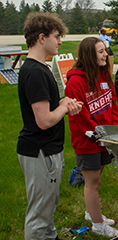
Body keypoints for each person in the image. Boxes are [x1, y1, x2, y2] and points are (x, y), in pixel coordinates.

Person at [17, 12, 83, 240]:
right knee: (39, 214)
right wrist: (64, 108)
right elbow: (44, 120)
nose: (60, 41)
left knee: (47, 205)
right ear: (42, 37)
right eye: (57, 36)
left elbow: (46, 107)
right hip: (40, 151)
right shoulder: (35, 72)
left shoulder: (39, 68)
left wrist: (62, 102)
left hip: (46, 150)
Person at [65, 37, 118, 238]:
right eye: (100, 51)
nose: (105, 54)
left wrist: (113, 128)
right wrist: (99, 134)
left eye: (105, 50)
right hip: (87, 140)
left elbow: (113, 102)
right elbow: (81, 116)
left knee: (99, 175)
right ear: (89, 55)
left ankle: (91, 214)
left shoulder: (104, 74)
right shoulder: (75, 81)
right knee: (93, 182)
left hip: (105, 137)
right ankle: (98, 226)